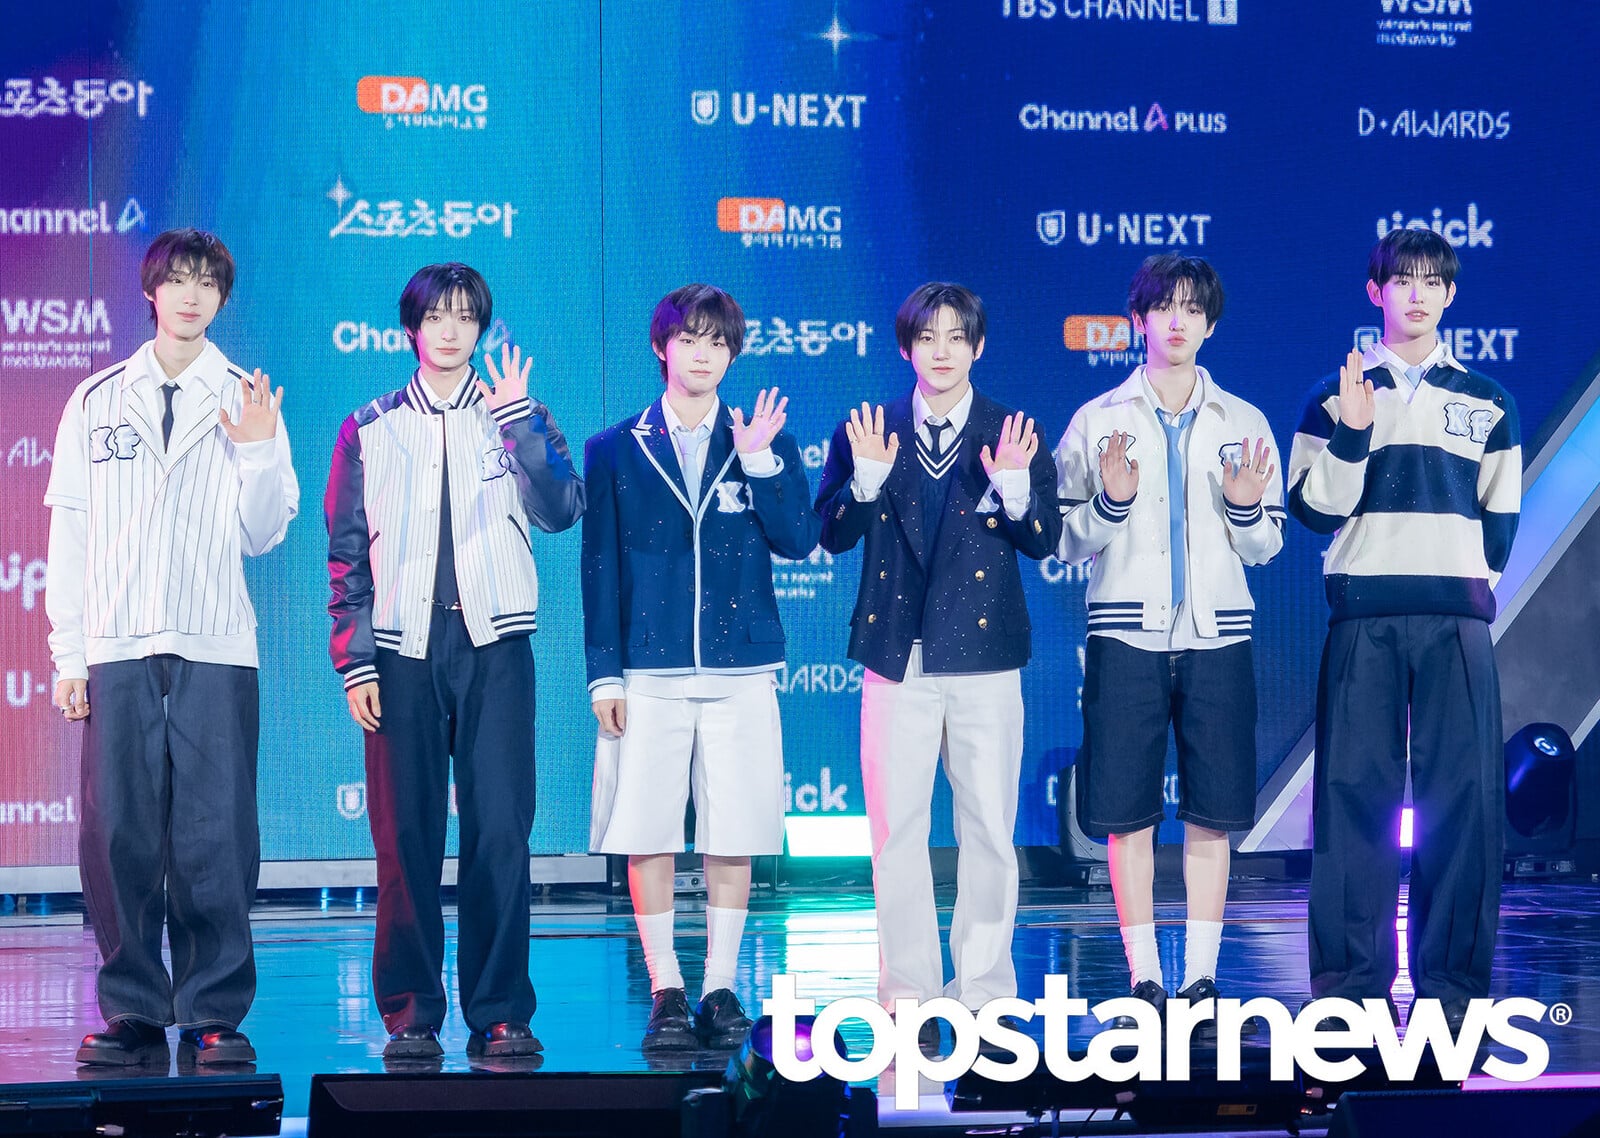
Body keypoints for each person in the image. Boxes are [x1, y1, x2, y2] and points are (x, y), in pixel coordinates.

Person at [45, 227, 299, 1067]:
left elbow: (264, 534)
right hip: (117, 642)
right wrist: (69, 654)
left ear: (222, 297)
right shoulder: (95, 398)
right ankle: (132, 1009)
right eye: (178, 280)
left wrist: (256, 448)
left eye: (207, 283)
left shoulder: (246, 393)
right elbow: (71, 533)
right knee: (116, 831)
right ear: (151, 291)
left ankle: (214, 1011)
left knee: (216, 834)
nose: (192, 295)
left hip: (214, 643)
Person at [325, 263, 584, 1059]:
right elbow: (346, 555)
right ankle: (411, 1014)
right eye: (435, 316)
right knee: (404, 837)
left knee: (500, 830)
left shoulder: (516, 414)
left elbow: (562, 510)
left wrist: (518, 424)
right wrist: (355, 660)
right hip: (401, 651)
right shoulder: (369, 427)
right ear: (411, 327)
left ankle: (501, 1010)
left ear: (482, 328)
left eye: (465, 317)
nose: (449, 330)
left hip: (495, 646)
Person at [814, 282, 1060, 1045]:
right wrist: (863, 481)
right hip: (898, 656)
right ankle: (907, 990)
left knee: (988, 827)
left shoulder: (1011, 431)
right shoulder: (869, 428)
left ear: (978, 347)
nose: (942, 351)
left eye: (957, 337)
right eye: (928, 337)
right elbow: (831, 533)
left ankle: (983, 987)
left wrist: (1016, 493)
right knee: (897, 832)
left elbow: (1046, 540)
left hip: (986, 659)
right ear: (906, 347)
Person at [1288, 229, 1520, 1028]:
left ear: (1450, 294)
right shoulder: (1334, 394)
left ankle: (1452, 999)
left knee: (1465, 805)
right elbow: (1314, 510)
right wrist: (1354, 430)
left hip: (1456, 624)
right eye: (1402, 280)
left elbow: (1500, 525)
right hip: (1364, 620)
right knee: (1352, 801)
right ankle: (1348, 999)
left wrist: (1458, 584)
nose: (1416, 294)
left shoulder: (1489, 400)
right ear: (1375, 291)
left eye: (1431, 282)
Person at [582, 283, 819, 1051]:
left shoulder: (762, 441)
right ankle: (666, 989)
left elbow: (798, 540)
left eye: (718, 342)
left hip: (739, 667)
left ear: (733, 354)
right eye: (689, 339)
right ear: (662, 347)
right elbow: (599, 570)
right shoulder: (613, 449)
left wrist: (761, 462)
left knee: (734, 830)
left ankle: (719, 985)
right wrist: (604, 674)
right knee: (647, 830)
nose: (703, 354)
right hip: (646, 670)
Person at [1054, 254, 1283, 1025]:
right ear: (1139, 320)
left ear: (1211, 324)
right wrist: (1111, 503)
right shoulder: (1098, 420)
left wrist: (1246, 509)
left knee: (1212, 813)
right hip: (1126, 636)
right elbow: (1063, 539)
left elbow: (1267, 546)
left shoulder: (1243, 422)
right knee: (1128, 815)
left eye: (1192, 308)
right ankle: (1145, 977)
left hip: (1219, 637)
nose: (1177, 320)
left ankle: (1203, 978)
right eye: (1164, 307)